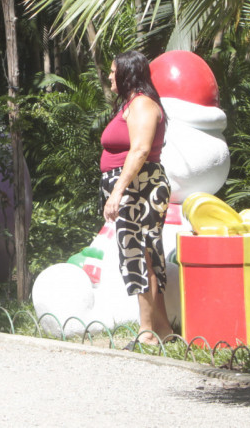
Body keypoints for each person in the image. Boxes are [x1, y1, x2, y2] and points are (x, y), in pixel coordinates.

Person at [100, 50, 173, 346]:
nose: (109, 76)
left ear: (127, 74)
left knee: (139, 253)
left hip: (140, 186)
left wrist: (117, 192)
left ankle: (147, 333)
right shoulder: (130, 104)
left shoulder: (142, 104)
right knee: (144, 253)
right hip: (134, 185)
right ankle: (163, 329)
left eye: (112, 71)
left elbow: (141, 150)